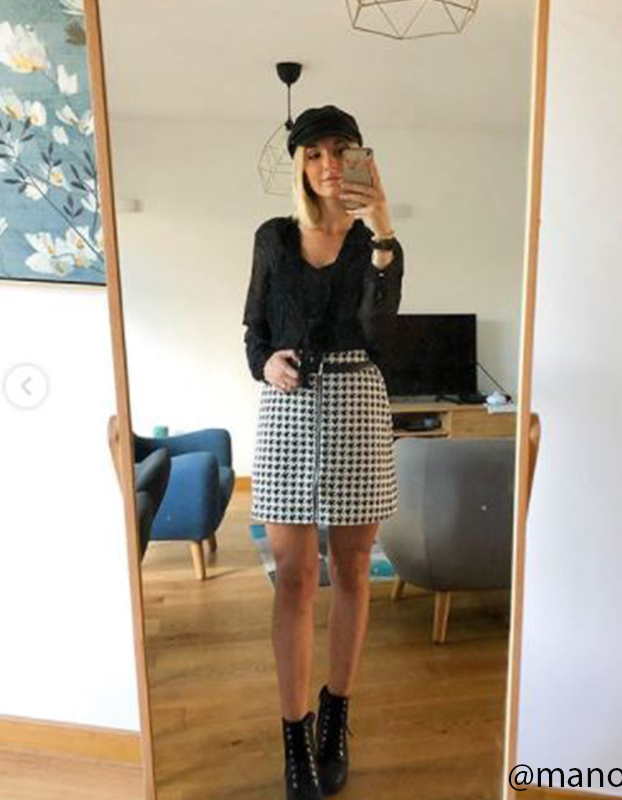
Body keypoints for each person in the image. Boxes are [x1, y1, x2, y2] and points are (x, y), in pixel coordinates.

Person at [242, 105, 404, 800]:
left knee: (354, 570)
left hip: (357, 400)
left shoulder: (376, 242)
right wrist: (265, 364)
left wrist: (385, 230)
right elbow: (254, 330)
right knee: (295, 576)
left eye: (341, 150)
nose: (328, 163)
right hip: (287, 408)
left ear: (362, 158)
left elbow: (380, 332)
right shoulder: (274, 238)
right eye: (314, 153)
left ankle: (336, 713)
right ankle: (294, 733)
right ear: (300, 165)